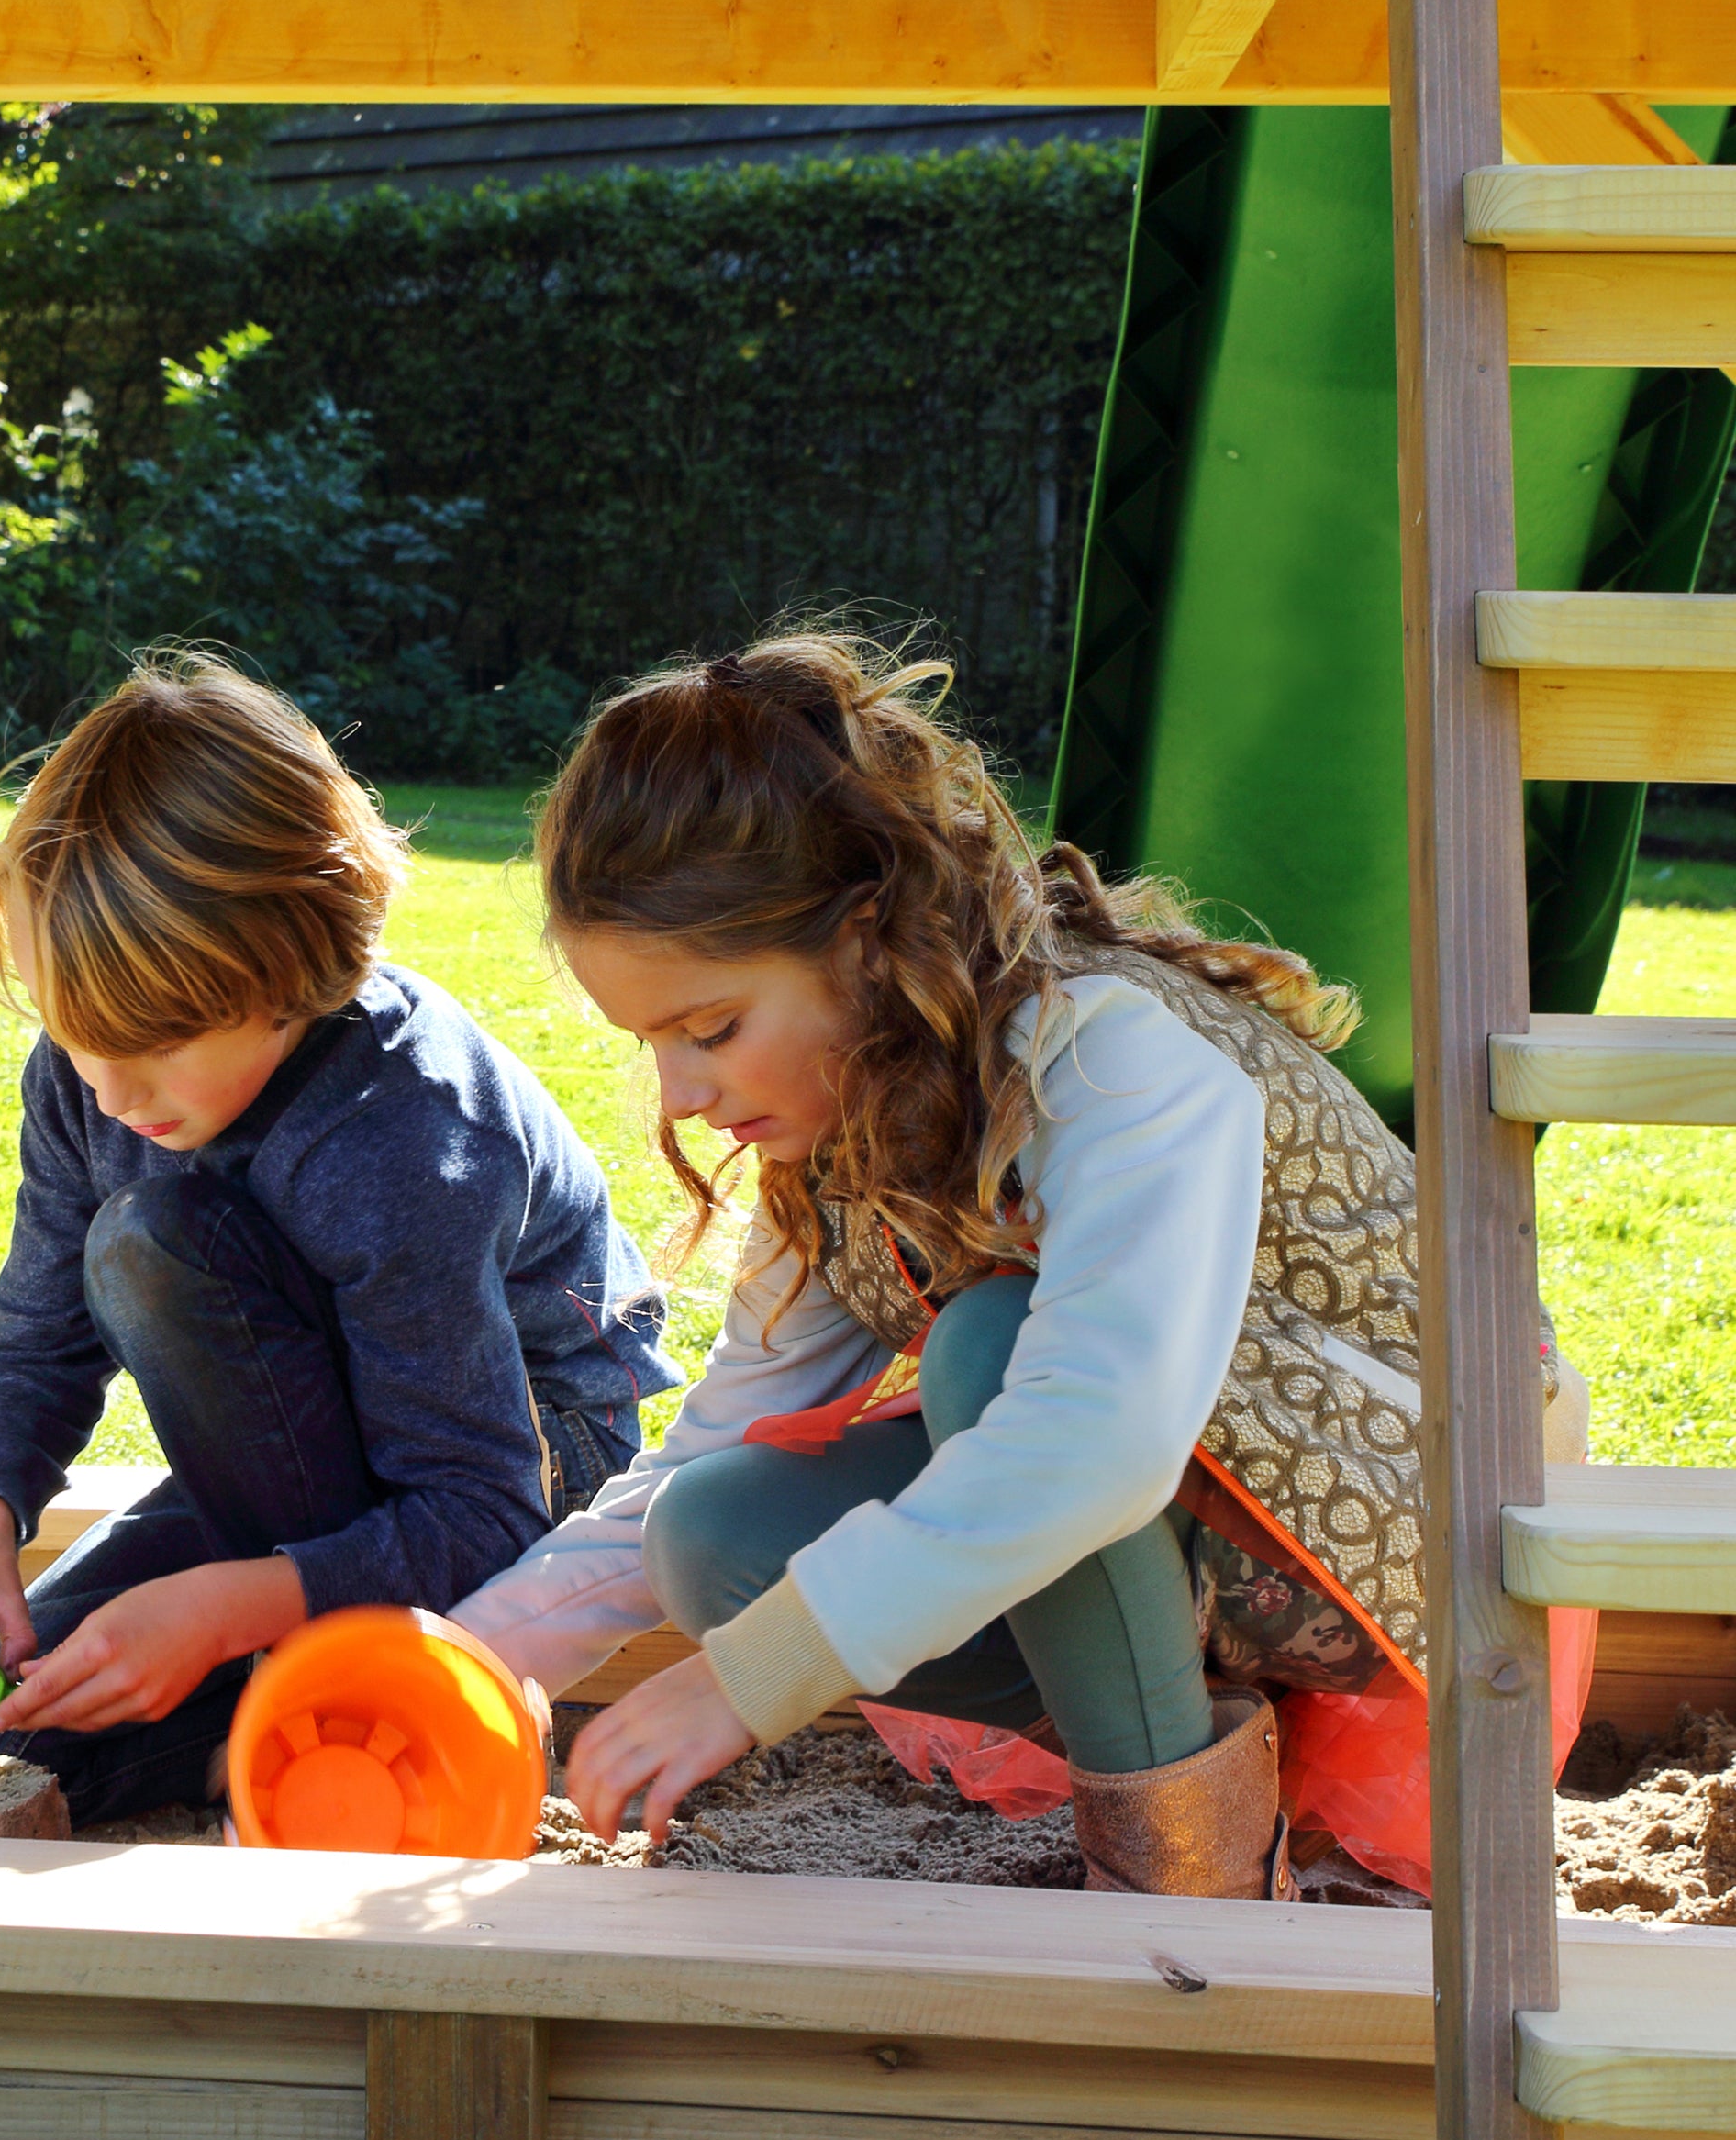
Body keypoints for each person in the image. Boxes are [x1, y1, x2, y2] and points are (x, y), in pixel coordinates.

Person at [452, 629, 1585, 1899]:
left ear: (865, 937)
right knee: (712, 1533)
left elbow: (1097, 1432)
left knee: (999, 1351)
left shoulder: (1105, 1053)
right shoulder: (836, 1137)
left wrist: (752, 1678)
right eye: (651, 1043)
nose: (681, 1090)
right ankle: (1188, 1737)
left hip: (1428, 1506)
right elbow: (718, 1442)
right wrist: (472, 1659)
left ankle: (1182, 1874)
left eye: (711, 1028)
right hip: (1193, 1516)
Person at [0, 652, 676, 1824]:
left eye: (155, 1040)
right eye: (72, 1033)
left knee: (154, 1245)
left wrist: (220, 1608)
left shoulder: (404, 1135)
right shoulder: (90, 1072)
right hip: (298, 1463)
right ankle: (266, 1683)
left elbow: (480, 1505)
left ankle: (318, 1684)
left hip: (521, 1462)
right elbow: (38, 1338)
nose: (108, 1089)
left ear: (295, 967)